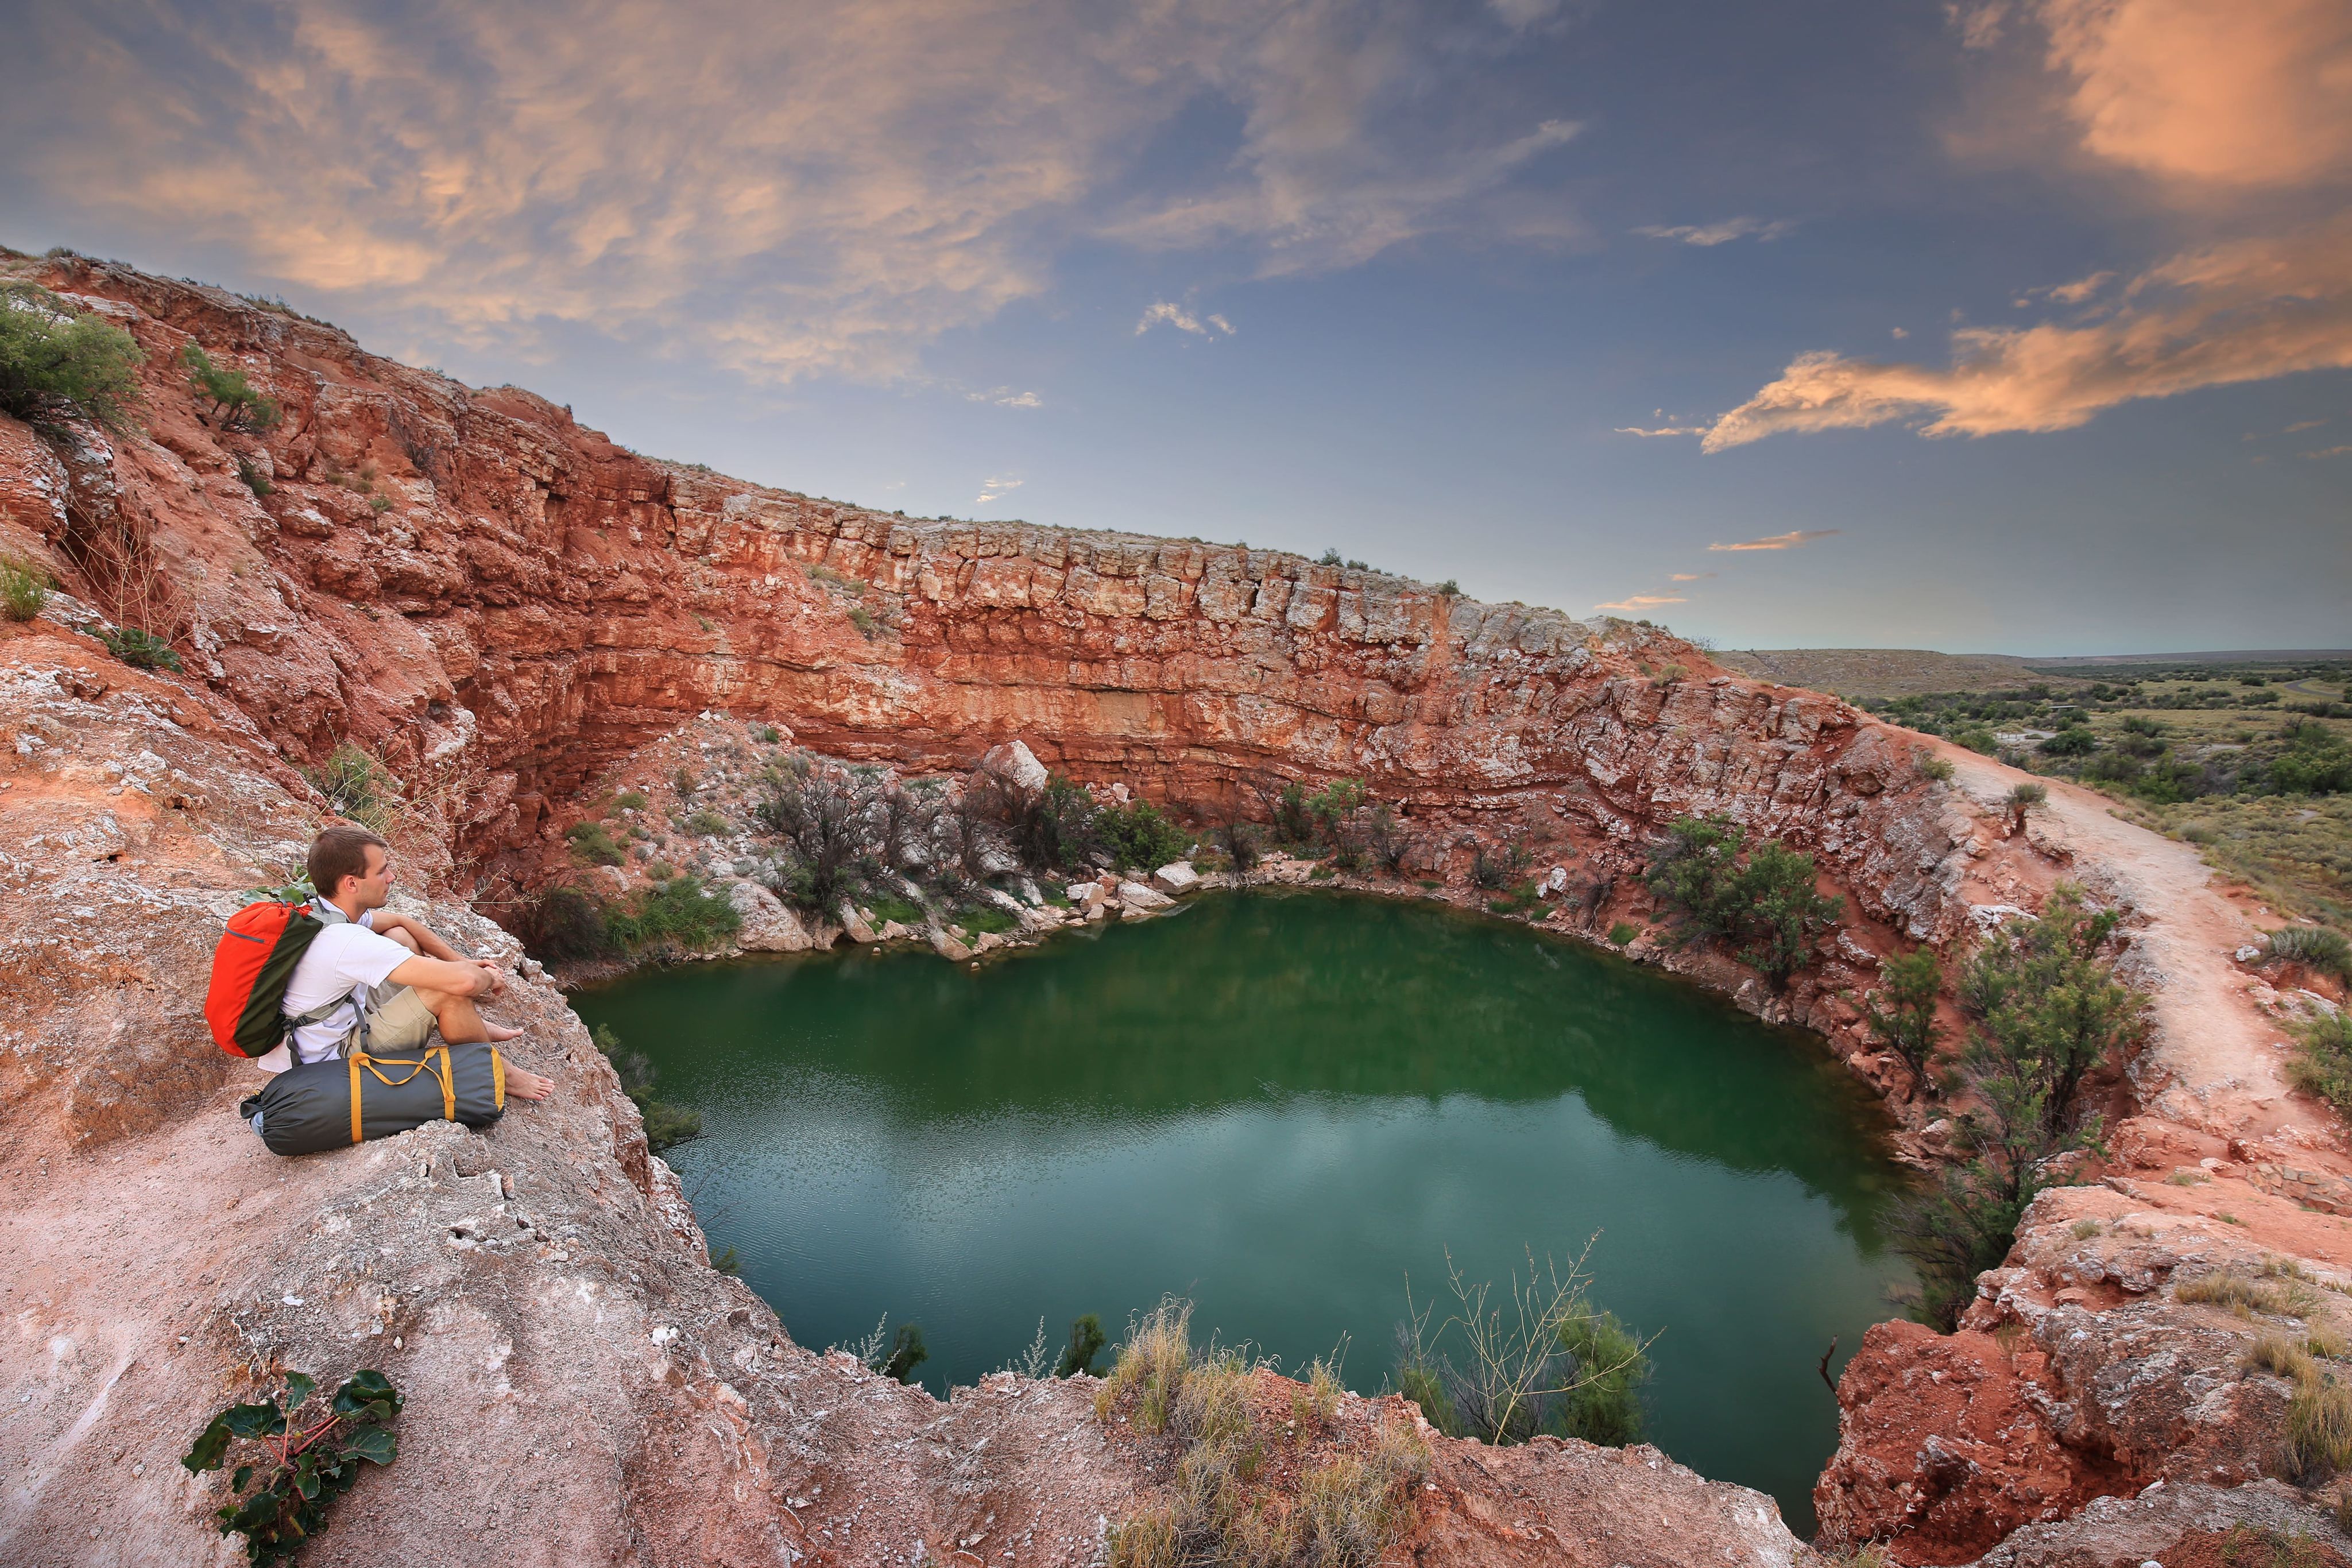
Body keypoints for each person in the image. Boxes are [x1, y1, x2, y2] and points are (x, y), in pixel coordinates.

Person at [266, 826, 553, 1102]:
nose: (391, 877)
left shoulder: (321, 912)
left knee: (399, 937)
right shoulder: (347, 941)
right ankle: (505, 1074)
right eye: (381, 872)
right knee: (447, 991)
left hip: (326, 1025)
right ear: (351, 883)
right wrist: (488, 978)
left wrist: (461, 961)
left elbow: (401, 922)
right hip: (332, 1059)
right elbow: (464, 982)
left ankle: (466, 1024)